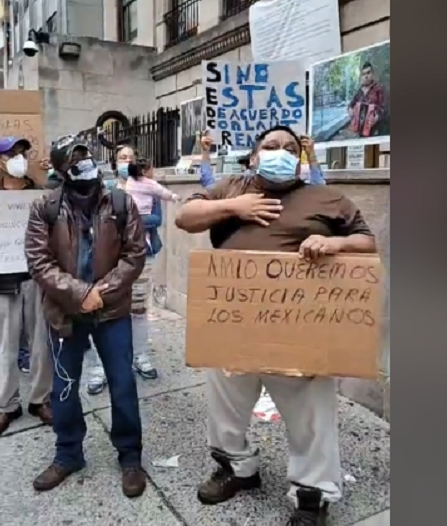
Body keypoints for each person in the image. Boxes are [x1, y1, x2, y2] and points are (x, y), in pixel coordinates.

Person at [174, 125, 378, 526]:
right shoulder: (232, 188)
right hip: (231, 324)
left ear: (300, 159)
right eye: (271, 146)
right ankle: (238, 468)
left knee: (311, 417)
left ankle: (311, 495)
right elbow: (185, 216)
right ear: (254, 156)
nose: (280, 152)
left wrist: (334, 244)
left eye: (289, 147)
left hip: (300, 331)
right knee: (226, 407)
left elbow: (367, 241)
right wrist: (235, 208)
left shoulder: (326, 197)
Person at [23, 142, 149, 498]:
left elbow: (134, 254)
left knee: (122, 384)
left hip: (111, 312)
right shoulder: (44, 207)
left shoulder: (121, 203)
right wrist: (80, 294)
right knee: (64, 388)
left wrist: (101, 292)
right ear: (63, 170)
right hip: (65, 312)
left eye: (89, 157)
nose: (86, 164)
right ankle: (68, 453)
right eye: (77, 160)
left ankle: (130, 456)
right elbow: (39, 262)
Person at [82, 146, 176, 393]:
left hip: (143, 256)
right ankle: (98, 369)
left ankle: (140, 357)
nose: (127, 162)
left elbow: (156, 219)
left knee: (138, 310)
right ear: (115, 163)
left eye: (131, 158)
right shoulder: (105, 189)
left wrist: (123, 217)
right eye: (122, 158)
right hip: (108, 259)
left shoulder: (148, 185)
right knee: (100, 309)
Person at [0, 137, 54, 437]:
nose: (19, 158)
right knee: (5, 346)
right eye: (12, 154)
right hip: (0, 282)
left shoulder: (41, 194)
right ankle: (6, 405)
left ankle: (41, 399)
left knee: (41, 343)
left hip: (37, 279)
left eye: (23, 153)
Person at [198, 132, 326, 188]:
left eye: (289, 150)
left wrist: (311, 155)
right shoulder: (240, 188)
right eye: (271, 148)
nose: (280, 154)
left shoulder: (300, 191)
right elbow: (210, 185)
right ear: (253, 160)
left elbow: (319, 191)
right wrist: (205, 152)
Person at [348, 62, 386, 138]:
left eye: (368, 73)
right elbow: (351, 105)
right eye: (364, 74)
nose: (366, 76)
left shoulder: (379, 89)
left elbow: (383, 108)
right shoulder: (359, 91)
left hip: (374, 131)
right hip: (359, 131)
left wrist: (377, 117)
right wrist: (350, 110)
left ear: (372, 74)